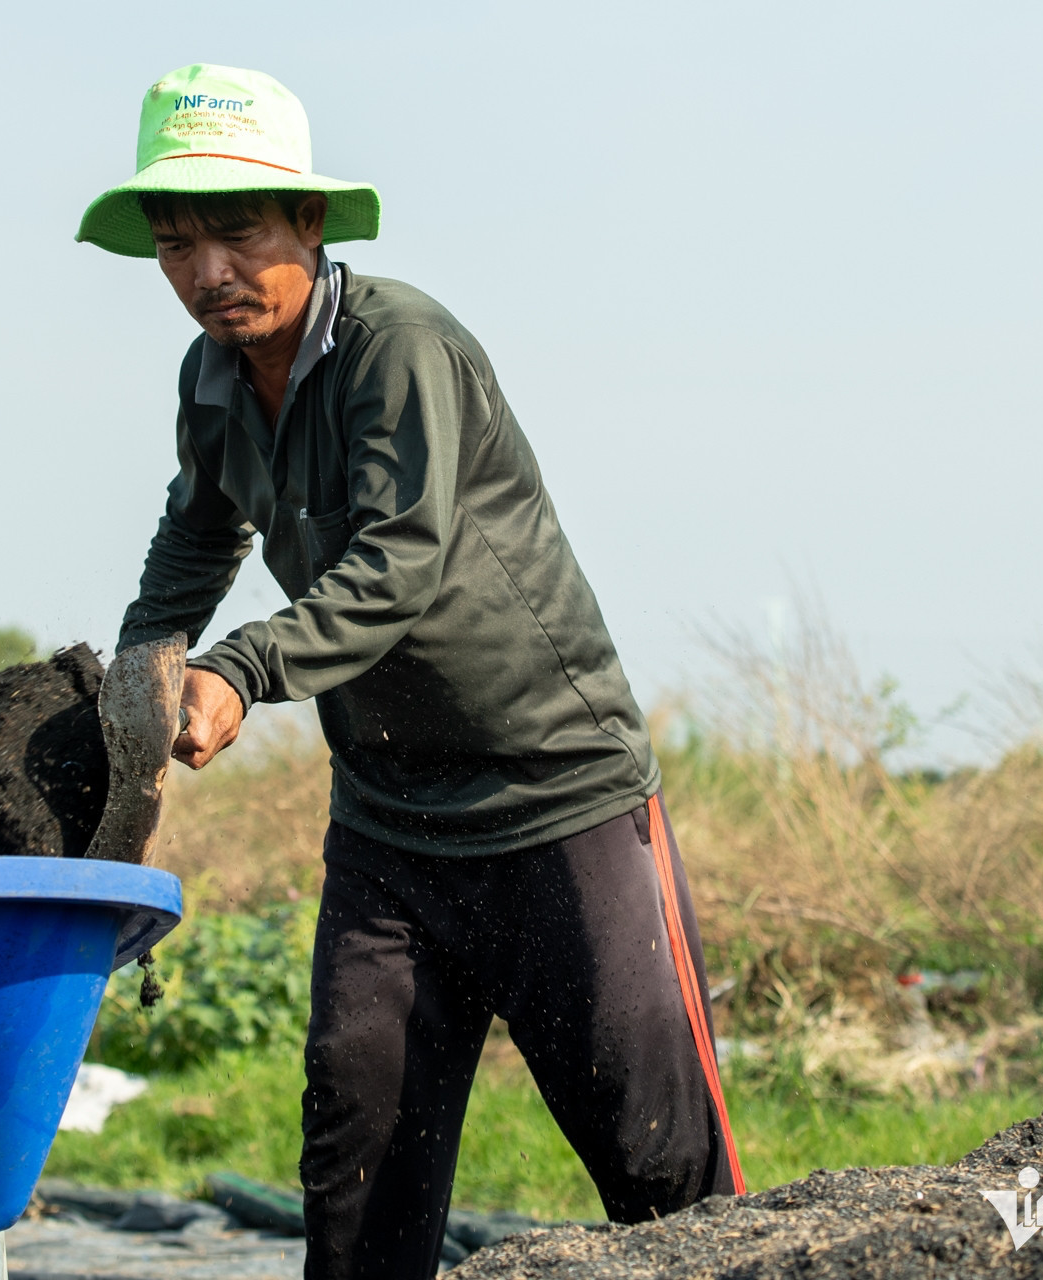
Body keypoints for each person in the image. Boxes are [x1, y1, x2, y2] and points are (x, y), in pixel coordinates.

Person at [77, 63, 745, 1280]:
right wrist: (134, 703)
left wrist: (239, 670)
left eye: (238, 230)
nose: (207, 271)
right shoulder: (214, 379)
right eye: (177, 244)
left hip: (559, 802)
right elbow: (194, 541)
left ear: (310, 224)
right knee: (359, 1165)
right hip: (392, 832)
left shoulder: (402, 348)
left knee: (664, 1172)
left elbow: (404, 563)